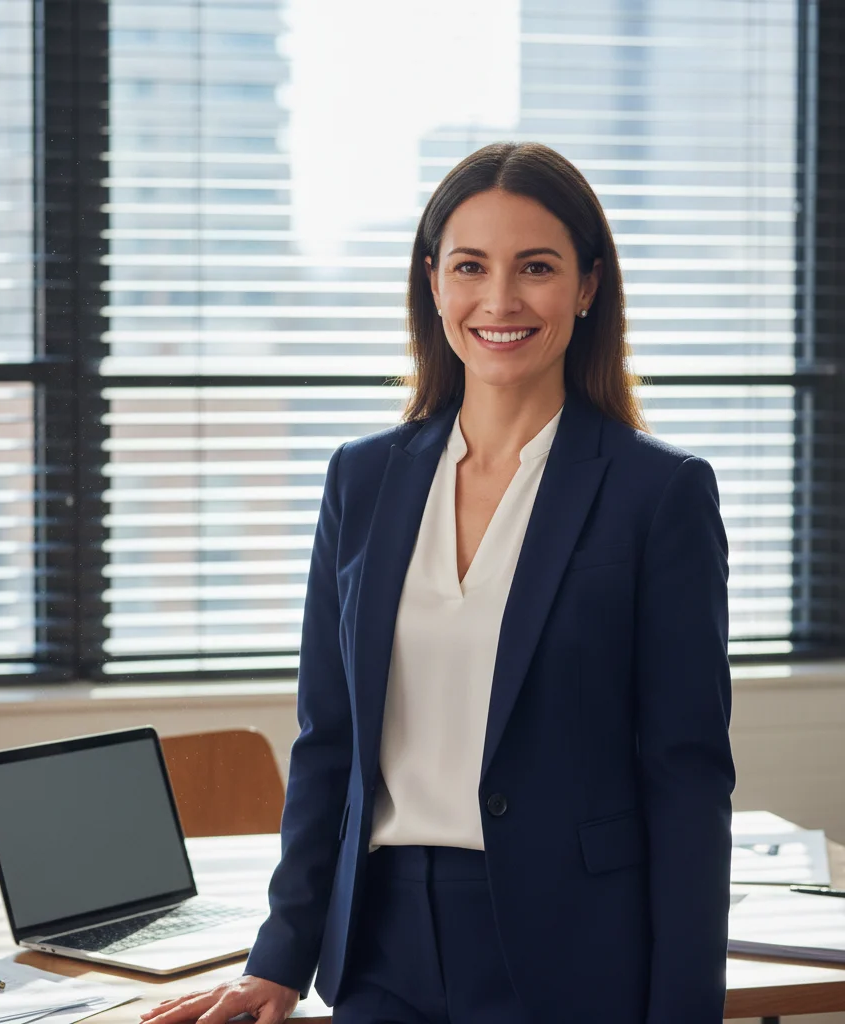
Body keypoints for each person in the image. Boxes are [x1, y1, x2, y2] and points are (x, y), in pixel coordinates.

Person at [139, 141, 735, 1024]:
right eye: (470, 267)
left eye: (536, 267)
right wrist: (280, 957)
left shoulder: (660, 494)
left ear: (587, 286)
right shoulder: (363, 479)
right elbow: (328, 743)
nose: (500, 300)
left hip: (575, 951)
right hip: (382, 948)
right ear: (433, 282)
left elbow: (687, 782)